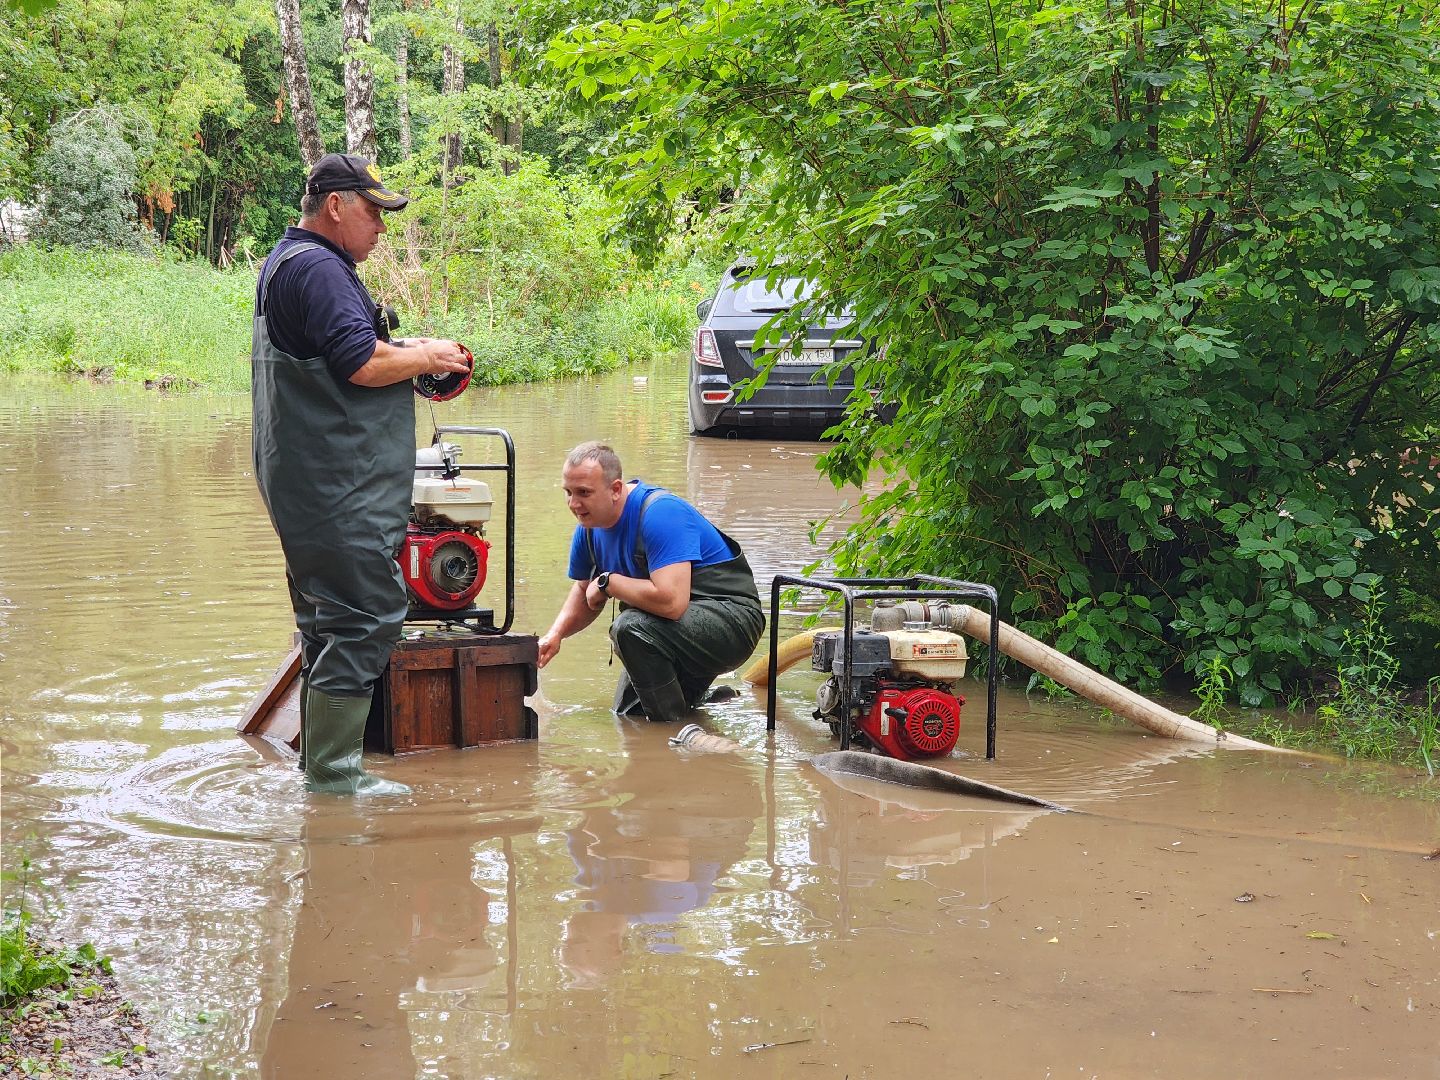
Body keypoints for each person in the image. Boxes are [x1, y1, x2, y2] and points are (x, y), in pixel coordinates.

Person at [252, 153, 471, 796]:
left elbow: (344, 351)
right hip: (338, 487)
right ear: (336, 205)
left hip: (302, 482)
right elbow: (359, 364)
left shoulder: (286, 262)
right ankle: (336, 780)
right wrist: (425, 357)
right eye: (373, 211)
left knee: (325, 622)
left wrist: (409, 350)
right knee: (368, 615)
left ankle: (318, 772)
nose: (381, 225)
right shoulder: (321, 268)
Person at [537, 442, 765, 722]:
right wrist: (555, 635)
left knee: (629, 628)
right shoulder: (588, 529)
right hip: (670, 631)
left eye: (584, 493)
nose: (574, 504)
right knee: (629, 715)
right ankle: (707, 703)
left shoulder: (660, 513)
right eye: (568, 493)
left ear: (616, 489)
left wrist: (609, 582)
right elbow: (585, 590)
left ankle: (673, 731)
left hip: (733, 623)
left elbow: (671, 603)